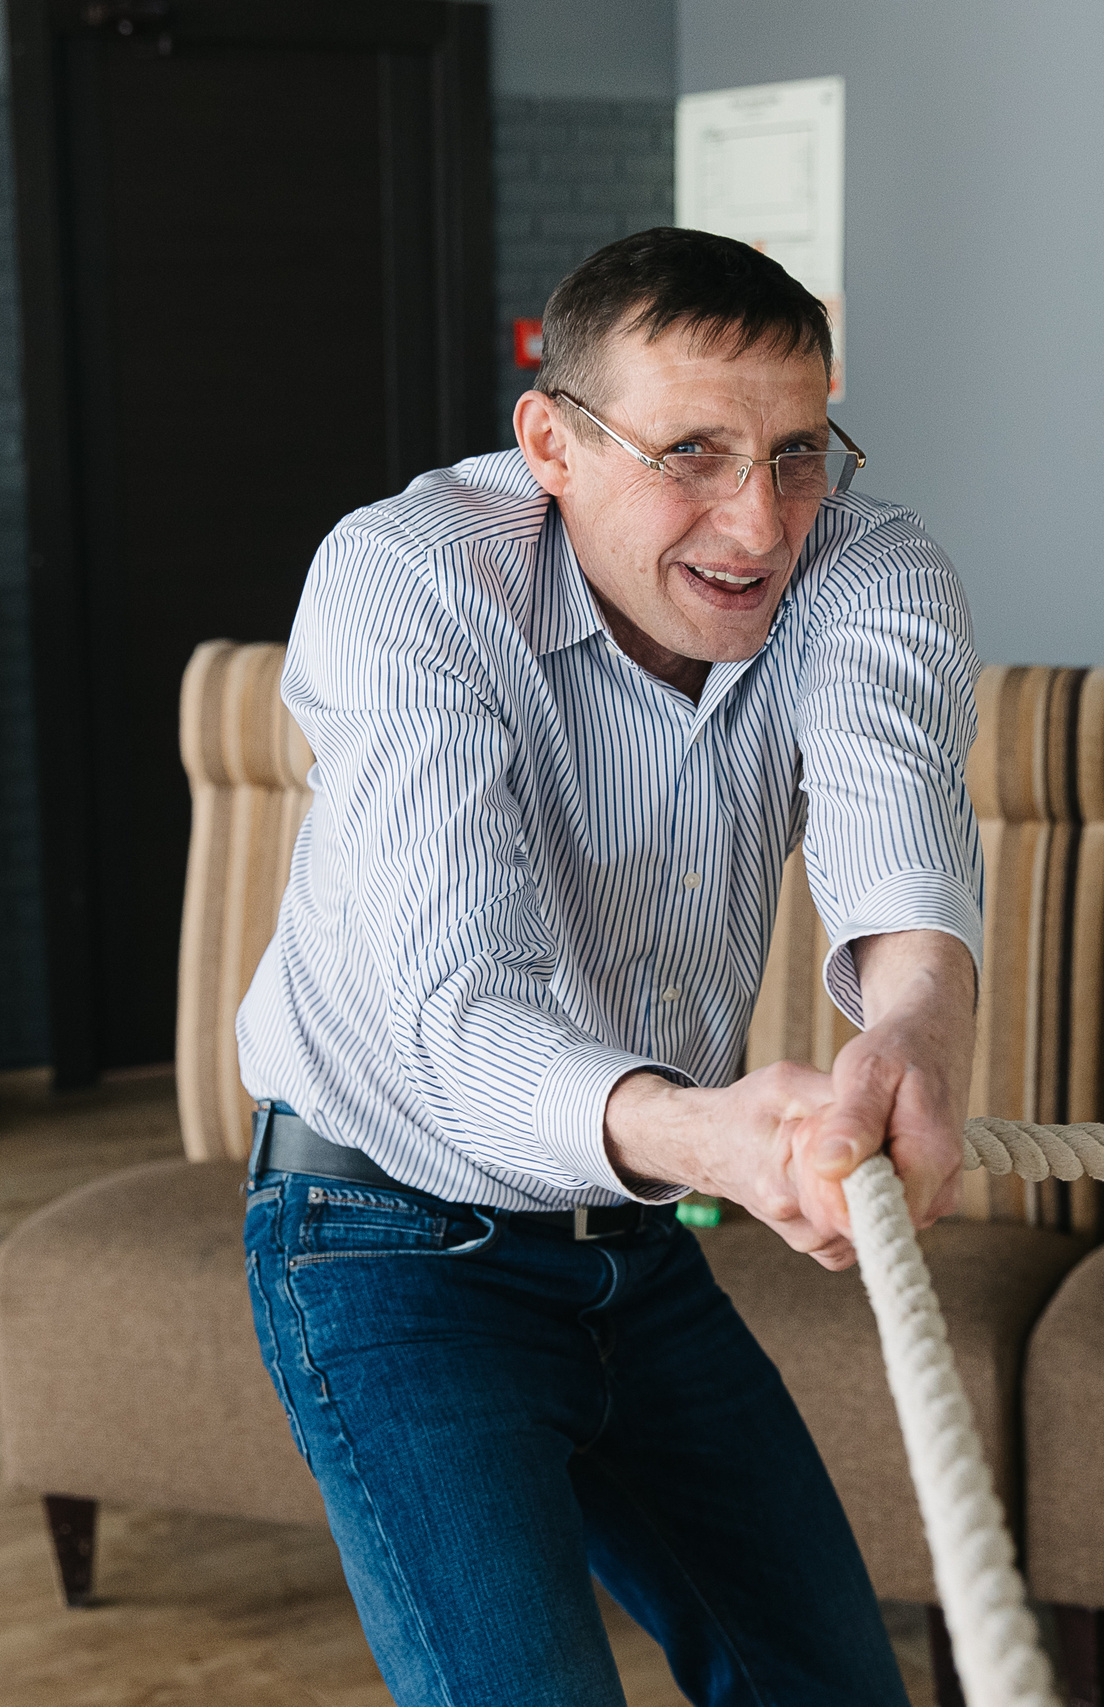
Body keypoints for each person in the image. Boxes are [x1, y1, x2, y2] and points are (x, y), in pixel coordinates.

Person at [236, 226, 984, 1706]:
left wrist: (915, 1031)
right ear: (551, 444)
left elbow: (894, 838)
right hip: (384, 1236)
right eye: (692, 452)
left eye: (796, 452)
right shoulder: (409, 580)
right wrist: (708, 1129)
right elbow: (449, 1016)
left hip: (632, 1243)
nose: (758, 522)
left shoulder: (869, 566)